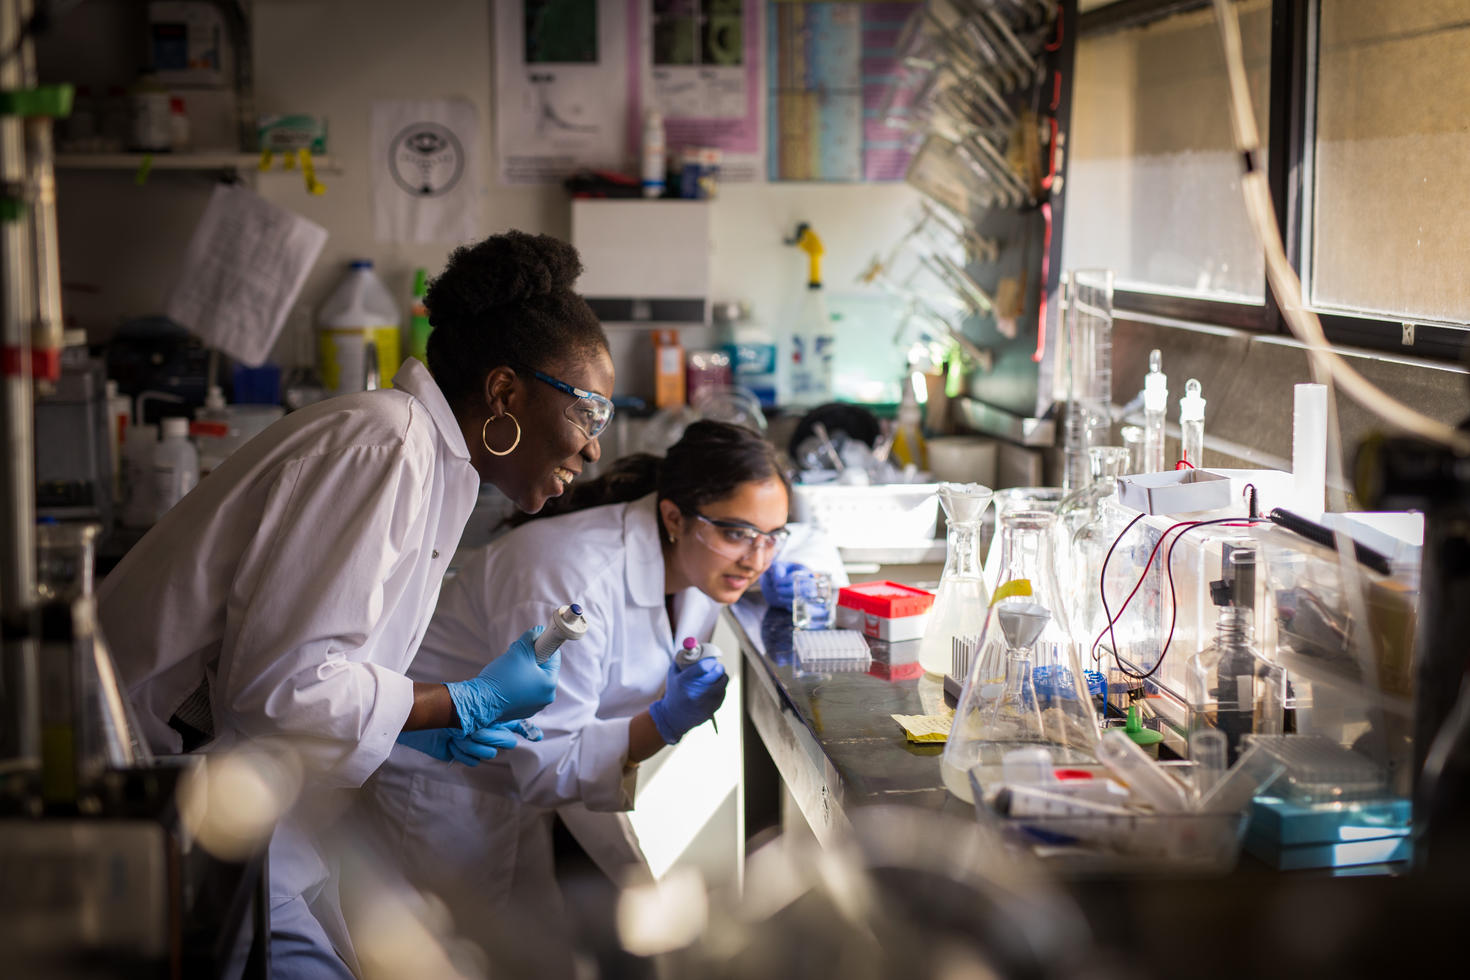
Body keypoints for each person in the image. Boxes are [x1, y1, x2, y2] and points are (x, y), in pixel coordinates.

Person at [97, 231, 614, 978]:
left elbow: (306, 666)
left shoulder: (431, 463)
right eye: (589, 413)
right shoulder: (384, 444)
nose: (593, 447)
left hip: (234, 797)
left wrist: (407, 728)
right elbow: (283, 687)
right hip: (165, 797)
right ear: (505, 393)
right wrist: (452, 704)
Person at [358, 420, 846, 955]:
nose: (756, 560)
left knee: (530, 958)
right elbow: (545, 760)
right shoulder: (574, 584)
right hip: (438, 787)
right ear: (673, 517)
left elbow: (814, 537)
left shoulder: (705, 556)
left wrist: (800, 569)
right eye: (736, 534)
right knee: (447, 958)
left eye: (770, 537)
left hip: (516, 788)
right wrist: (659, 726)